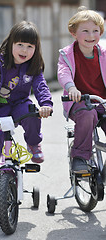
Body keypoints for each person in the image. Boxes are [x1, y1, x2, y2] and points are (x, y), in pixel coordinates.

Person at [0, 21, 53, 202]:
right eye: (19, 44)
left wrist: (46, 104)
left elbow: (40, 86)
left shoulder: (33, 67)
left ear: (36, 49)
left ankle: (34, 144)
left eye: (30, 46)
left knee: (32, 112)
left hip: (19, 104)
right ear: (11, 43)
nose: (24, 50)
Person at [57, 6, 106, 173]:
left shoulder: (104, 53)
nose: (91, 35)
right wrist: (71, 88)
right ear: (74, 33)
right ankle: (80, 156)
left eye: (95, 30)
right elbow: (63, 73)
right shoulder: (67, 54)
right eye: (85, 31)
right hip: (80, 102)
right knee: (87, 114)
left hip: (102, 102)